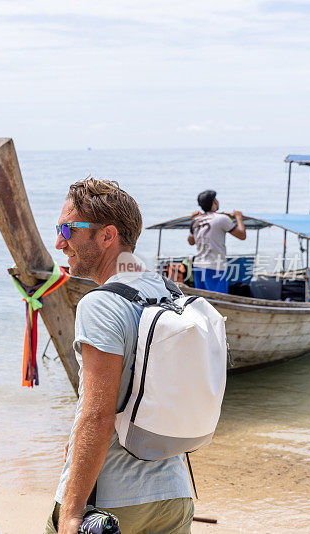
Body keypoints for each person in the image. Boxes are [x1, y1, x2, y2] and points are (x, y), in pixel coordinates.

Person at [47, 178, 194, 534]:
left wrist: (70, 514)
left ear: (107, 236)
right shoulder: (169, 292)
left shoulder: (101, 304)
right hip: (174, 496)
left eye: (67, 228)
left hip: (111, 506)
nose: (59, 242)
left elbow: (98, 417)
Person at [188, 189, 246, 293]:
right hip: (214, 266)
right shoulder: (221, 219)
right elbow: (242, 235)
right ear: (214, 201)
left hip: (198, 266)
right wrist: (238, 218)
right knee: (217, 299)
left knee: (202, 301)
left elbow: (191, 241)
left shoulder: (195, 220)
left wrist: (193, 220)